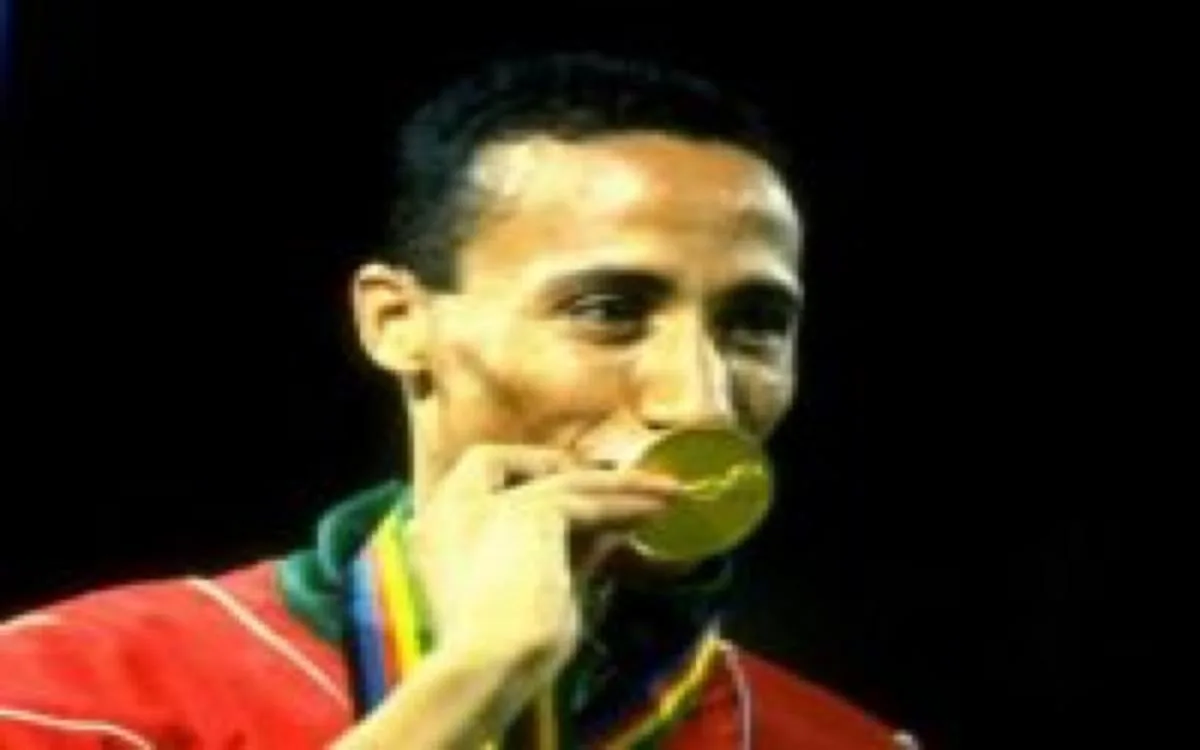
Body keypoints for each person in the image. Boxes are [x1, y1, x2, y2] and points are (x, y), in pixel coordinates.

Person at [0, 52, 914, 748]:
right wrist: (476, 677)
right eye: (608, 311)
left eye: (754, 325)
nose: (700, 401)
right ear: (396, 321)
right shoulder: (70, 695)